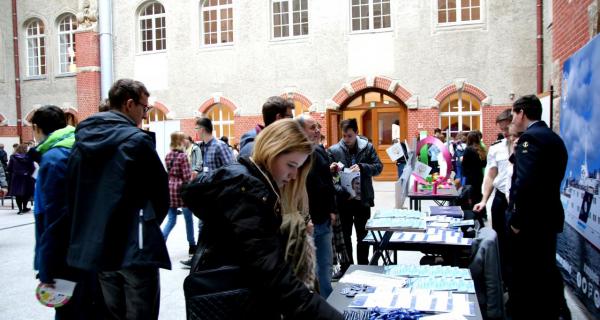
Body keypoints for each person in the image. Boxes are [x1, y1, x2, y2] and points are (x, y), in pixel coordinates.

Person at [182, 119, 342, 319]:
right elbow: (271, 271)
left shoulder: (252, 184)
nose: (293, 175)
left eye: (298, 168)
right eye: (291, 165)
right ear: (272, 151)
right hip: (235, 304)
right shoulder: (249, 191)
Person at [66, 79, 170, 320]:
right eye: (145, 108)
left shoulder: (81, 141)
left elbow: (72, 194)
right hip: (134, 245)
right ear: (129, 104)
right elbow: (159, 193)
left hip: (98, 247)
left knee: (113, 314)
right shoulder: (137, 141)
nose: (145, 115)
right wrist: (146, 226)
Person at [30, 105, 99, 319]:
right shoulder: (80, 146)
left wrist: (46, 266)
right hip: (90, 247)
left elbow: (54, 218)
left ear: (37, 128)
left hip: (65, 254)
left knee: (68, 312)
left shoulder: (53, 159)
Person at [507, 95, 569, 319]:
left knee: (527, 276)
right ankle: (554, 310)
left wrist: (516, 220)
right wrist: (516, 158)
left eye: (514, 114)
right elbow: (545, 175)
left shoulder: (529, 140)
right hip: (548, 217)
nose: (512, 119)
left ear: (522, 113)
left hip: (530, 222)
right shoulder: (552, 138)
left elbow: (526, 184)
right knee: (545, 267)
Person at [328, 118, 383, 272]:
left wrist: (363, 167)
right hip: (343, 201)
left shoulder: (368, 148)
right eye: (344, 136)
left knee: (363, 236)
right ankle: (347, 268)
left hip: (362, 200)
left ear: (357, 133)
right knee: (345, 237)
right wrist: (333, 174)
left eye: (350, 136)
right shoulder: (333, 150)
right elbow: (330, 179)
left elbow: (379, 167)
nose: (346, 140)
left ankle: (363, 267)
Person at [180, 117, 235, 267]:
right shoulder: (203, 147)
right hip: (207, 195)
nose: (195, 132)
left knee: (210, 226)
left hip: (218, 195)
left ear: (202, 129)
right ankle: (200, 257)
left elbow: (231, 169)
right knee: (202, 225)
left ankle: (206, 258)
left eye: (196, 129)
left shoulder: (219, 146)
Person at [297, 115, 336, 298]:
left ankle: (328, 305)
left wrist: (332, 210)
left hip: (324, 220)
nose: (317, 130)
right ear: (301, 131)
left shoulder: (319, 151)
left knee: (325, 267)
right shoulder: (296, 156)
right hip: (307, 223)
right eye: (312, 127)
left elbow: (327, 184)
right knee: (308, 272)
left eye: (317, 127)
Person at [473, 109, 512, 286]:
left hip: (518, 202)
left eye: (507, 127)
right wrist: (484, 200)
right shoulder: (496, 149)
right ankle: (504, 280)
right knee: (501, 242)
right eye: (502, 129)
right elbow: (490, 175)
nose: (505, 132)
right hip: (501, 199)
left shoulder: (525, 146)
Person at [162, 131, 196, 256]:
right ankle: (192, 245)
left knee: (171, 219)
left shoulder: (168, 155)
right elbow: (187, 177)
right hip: (182, 190)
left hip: (170, 187)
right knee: (188, 219)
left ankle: (160, 242)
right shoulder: (182, 157)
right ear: (180, 141)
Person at [461, 131, 487, 213]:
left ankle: (473, 212)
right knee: (479, 194)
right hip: (479, 175)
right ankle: (482, 213)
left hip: (471, 176)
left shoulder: (468, 149)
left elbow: (464, 164)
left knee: (471, 195)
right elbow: (484, 163)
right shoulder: (481, 149)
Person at [7, 144, 35, 214]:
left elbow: (9, 168)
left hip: (16, 177)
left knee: (18, 194)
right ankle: (25, 207)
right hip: (27, 177)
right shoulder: (28, 157)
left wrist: (13, 172)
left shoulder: (13, 157)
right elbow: (33, 167)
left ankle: (20, 209)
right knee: (27, 193)